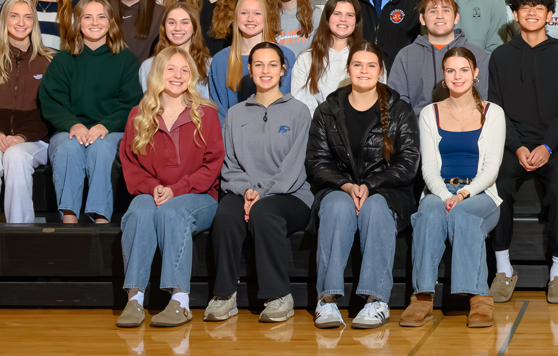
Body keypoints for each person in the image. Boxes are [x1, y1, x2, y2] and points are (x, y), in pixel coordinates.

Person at [307, 42, 420, 329]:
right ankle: (327, 300)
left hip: (389, 191)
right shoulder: (328, 109)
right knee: (334, 208)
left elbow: (407, 164)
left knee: (376, 209)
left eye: (371, 65)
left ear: (381, 71)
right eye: (357, 64)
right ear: (348, 69)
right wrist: (345, 184)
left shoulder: (400, 109)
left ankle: (376, 301)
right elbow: (317, 162)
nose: (364, 70)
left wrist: (370, 184)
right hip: (339, 188)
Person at [114, 48, 222, 328]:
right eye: (170, 69)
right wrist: (153, 187)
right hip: (151, 193)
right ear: (157, 74)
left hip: (199, 196)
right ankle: (134, 299)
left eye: (184, 70)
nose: (178, 75)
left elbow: (212, 166)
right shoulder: (138, 115)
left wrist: (178, 188)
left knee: (172, 213)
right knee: (138, 213)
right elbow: (130, 164)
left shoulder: (207, 114)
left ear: (192, 76)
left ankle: (180, 301)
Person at [201, 42, 309, 324]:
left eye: (272, 64)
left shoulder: (299, 112)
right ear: (249, 70)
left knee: (264, 212)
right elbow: (230, 165)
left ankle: (279, 296)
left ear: (283, 69)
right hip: (244, 191)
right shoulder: (236, 114)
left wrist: (260, 193)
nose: (265, 70)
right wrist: (247, 190)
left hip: (291, 194)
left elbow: (293, 168)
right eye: (258, 64)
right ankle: (224, 295)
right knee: (225, 214)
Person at [401, 48, 505, 328]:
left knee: (464, 215)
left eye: (463, 70)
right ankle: (422, 297)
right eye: (450, 71)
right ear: (443, 77)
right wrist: (446, 195)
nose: (457, 76)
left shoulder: (492, 113)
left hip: (480, 194)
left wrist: (463, 194)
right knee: (428, 215)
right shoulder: (428, 113)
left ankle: (479, 299)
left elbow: (491, 169)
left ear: (475, 74)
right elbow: (429, 168)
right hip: (439, 191)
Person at [485, 0, 558, 302]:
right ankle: (503, 270)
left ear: (550, 15)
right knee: (499, 189)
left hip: (552, 145)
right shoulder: (501, 56)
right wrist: (519, 146)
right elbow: (495, 110)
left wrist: (548, 146)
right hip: (513, 145)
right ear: (516, 14)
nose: (532, 13)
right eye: (525, 8)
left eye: (539, 8)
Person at [41, 0, 143, 224]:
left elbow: (131, 102)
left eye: (101, 16)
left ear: (111, 22)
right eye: (87, 16)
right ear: (78, 21)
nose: (94, 22)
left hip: (111, 130)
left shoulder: (125, 59)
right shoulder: (63, 60)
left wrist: (105, 125)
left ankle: (101, 218)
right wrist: (73, 124)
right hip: (69, 130)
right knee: (68, 147)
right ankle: (69, 217)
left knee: (101, 148)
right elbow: (52, 101)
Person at [0, 0, 56, 224]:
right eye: (14, 16)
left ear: (34, 22)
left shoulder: (49, 60)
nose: (21, 22)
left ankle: (20, 231)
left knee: (16, 157)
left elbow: (53, 110)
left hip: (35, 139)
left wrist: (22, 136)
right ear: (4, 20)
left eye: (28, 17)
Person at [209, 0, 298, 120]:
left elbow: (288, 103)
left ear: (266, 18)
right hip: (233, 135)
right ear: (235, 17)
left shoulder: (285, 56)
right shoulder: (220, 60)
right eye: (244, 13)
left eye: (257, 13)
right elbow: (219, 111)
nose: (250, 19)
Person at [291, 0, 361, 111]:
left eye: (349, 15)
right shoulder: (306, 58)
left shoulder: (368, 57)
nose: (343, 19)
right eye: (337, 14)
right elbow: (301, 102)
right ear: (327, 18)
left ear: (357, 20)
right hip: (318, 126)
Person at [140, 3, 211, 99]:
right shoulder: (149, 66)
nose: (177, 28)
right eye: (172, 23)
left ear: (194, 27)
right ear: (164, 28)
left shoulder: (209, 65)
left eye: (184, 22)